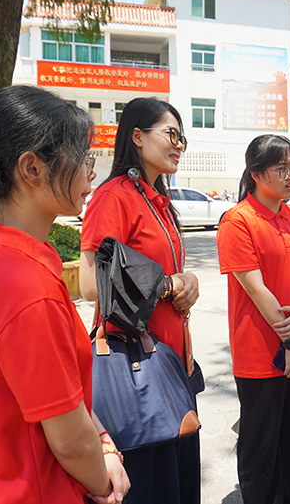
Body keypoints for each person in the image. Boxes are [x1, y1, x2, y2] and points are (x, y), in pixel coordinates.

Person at [0, 85, 130, 504]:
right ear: (32, 169)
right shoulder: (25, 287)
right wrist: (105, 481)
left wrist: (102, 442)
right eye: (82, 160)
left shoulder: (2, 253)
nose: (90, 174)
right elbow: (67, 438)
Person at [79, 98, 201, 504]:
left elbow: (164, 276)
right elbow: (91, 285)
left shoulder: (157, 200)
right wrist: (168, 286)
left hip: (172, 366)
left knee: (180, 488)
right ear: (136, 136)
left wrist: (189, 282)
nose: (179, 144)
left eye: (182, 136)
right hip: (136, 372)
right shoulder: (114, 197)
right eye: (171, 133)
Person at [216, 135, 290, 504]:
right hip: (262, 354)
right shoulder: (238, 221)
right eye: (282, 169)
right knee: (260, 448)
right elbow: (256, 288)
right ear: (257, 173)